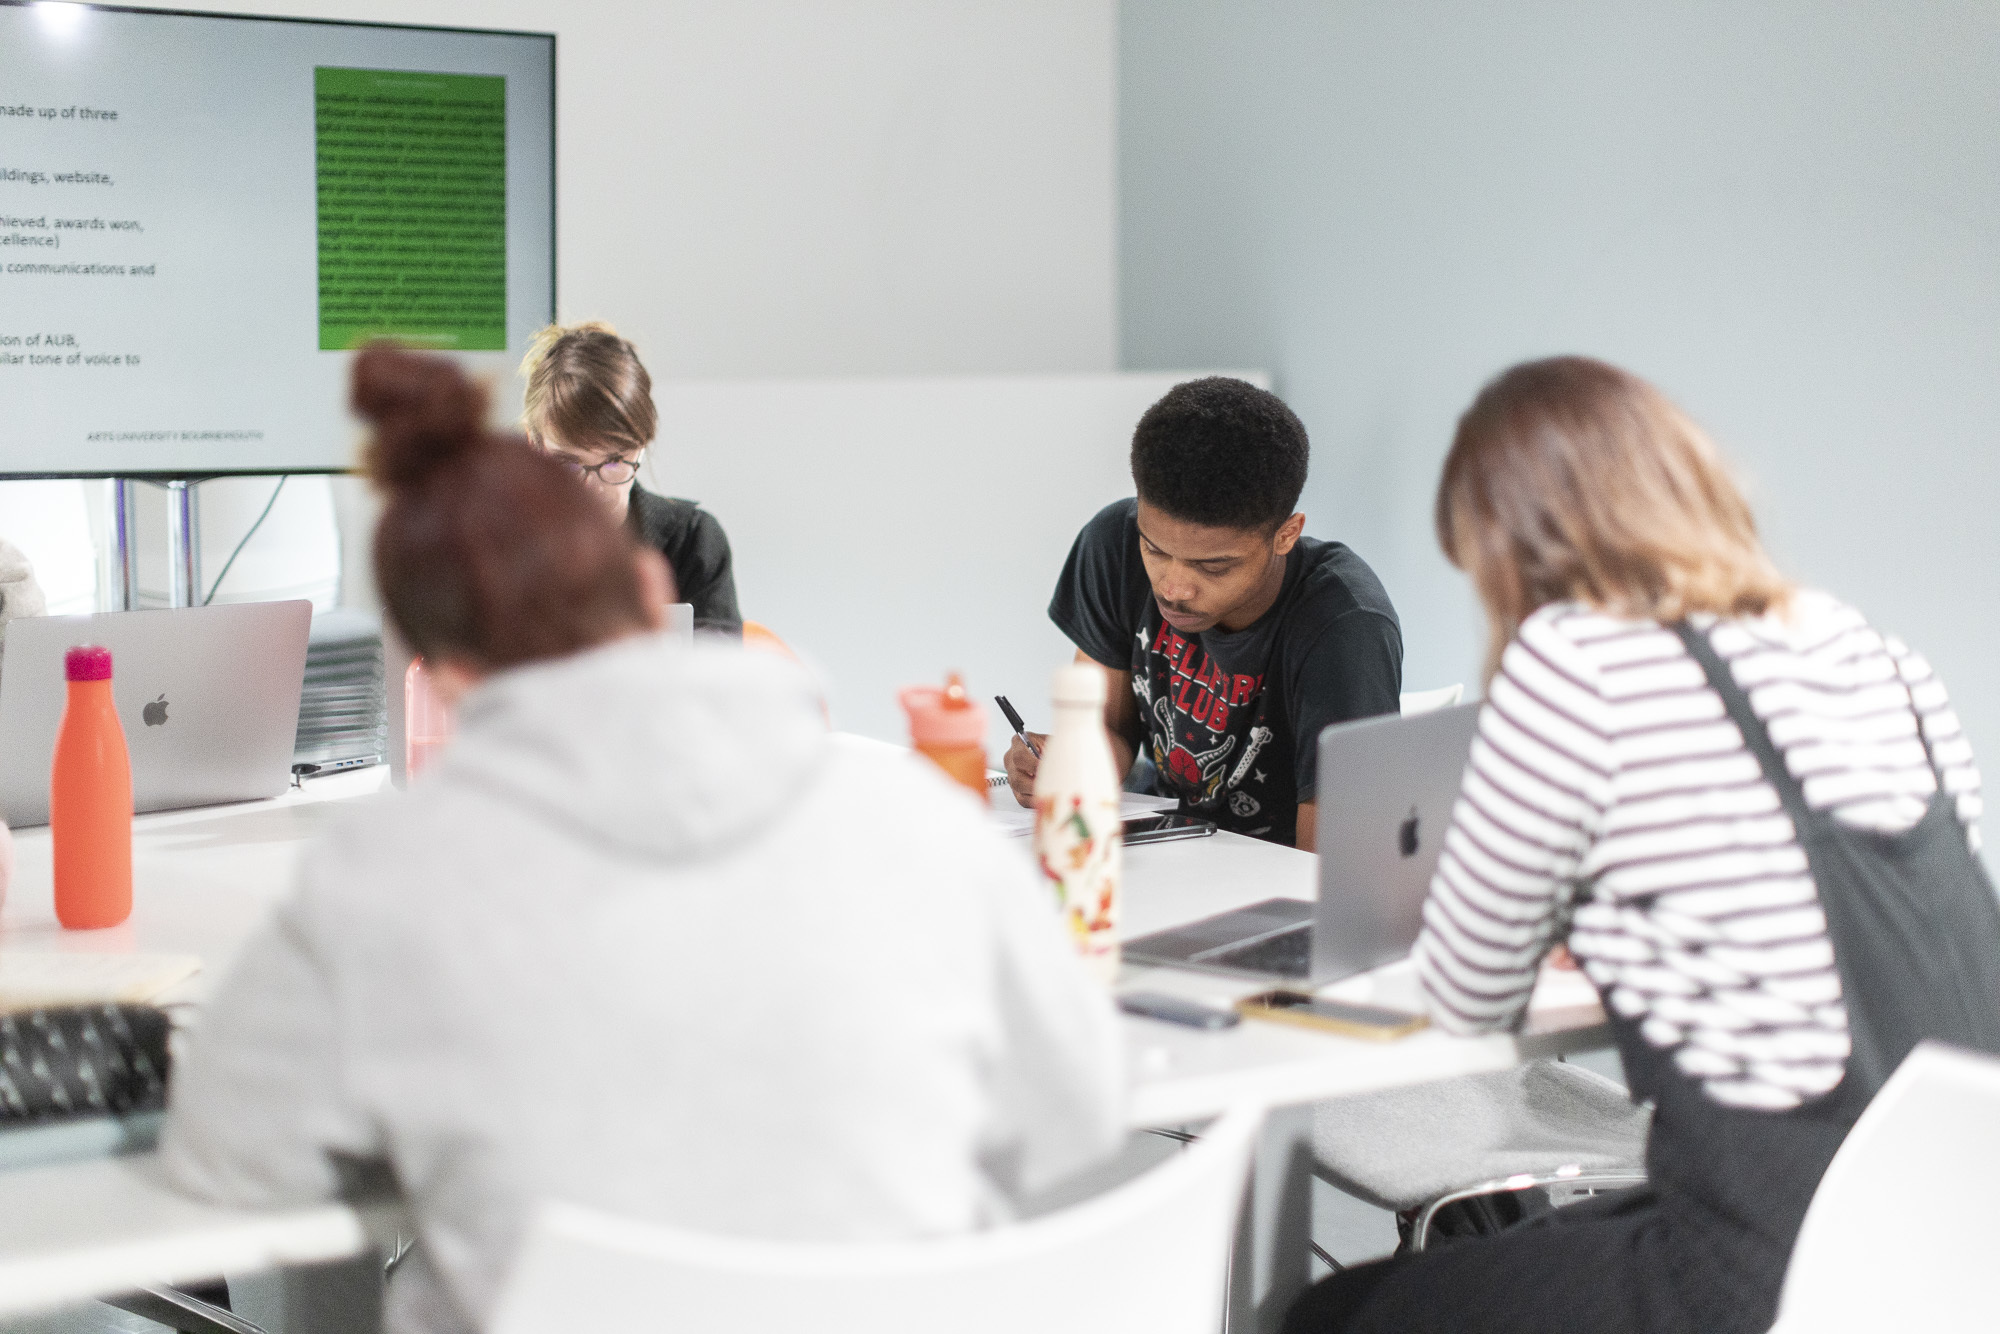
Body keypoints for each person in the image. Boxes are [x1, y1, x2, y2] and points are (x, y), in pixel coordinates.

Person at [159, 347, 1125, 1334]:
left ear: (438, 672)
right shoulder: (913, 816)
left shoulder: (385, 880)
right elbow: (1084, 1104)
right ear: (651, 583)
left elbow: (227, 1155)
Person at [1285, 356, 2000, 1334]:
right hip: (1949, 1243)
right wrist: (1641, 925)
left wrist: (1543, 915)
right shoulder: (1874, 652)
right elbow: (1881, 922)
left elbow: (1466, 996)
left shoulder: (1574, 657)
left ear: (1509, 543)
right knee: (1520, 1255)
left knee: (1334, 1312)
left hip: (1763, 1266)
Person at [1005, 377, 1401, 848]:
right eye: (1155, 550)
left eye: (1213, 566)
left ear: (1286, 534)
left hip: (1271, 871)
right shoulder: (1113, 544)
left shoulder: (1344, 626)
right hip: (1167, 840)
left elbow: (1330, 867)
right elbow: (1108, 730)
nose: (1173, 589)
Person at [518, 321, 743, 634]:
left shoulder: (692, 544)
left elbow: (718, 665)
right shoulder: (494, 547)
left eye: (614, 461)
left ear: (641, 446)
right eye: (568, 463)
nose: (591, 488)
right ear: (534, 444)